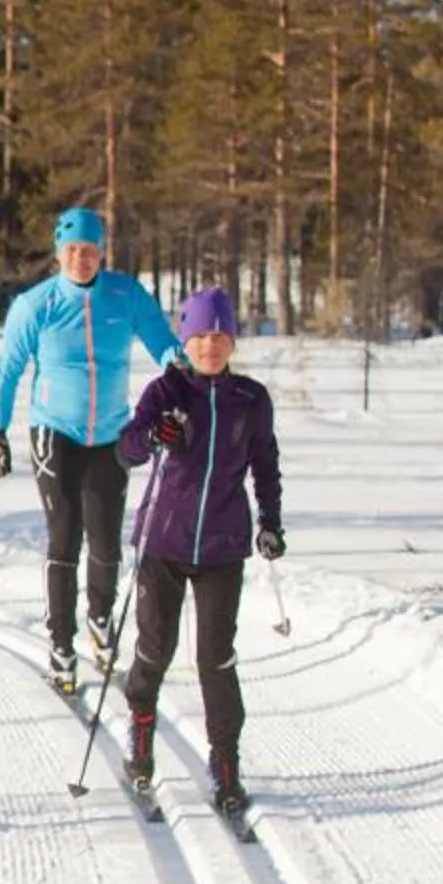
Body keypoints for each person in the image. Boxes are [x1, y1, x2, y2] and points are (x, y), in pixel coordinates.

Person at [0, 207, 184, 693]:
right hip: (56, 433)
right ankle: (60, 643)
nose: (82, 259)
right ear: (58, 253)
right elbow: (8, 370)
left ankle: (98, 616)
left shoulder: (126, 294)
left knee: (107, 540)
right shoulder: (37, 305)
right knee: (65, 536)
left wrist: (179, 370)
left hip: (111, 434)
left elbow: (161, 342)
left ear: (102, 252)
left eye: (90, 250)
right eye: (73, 251)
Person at [114, 285, 284, 818]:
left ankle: (226, 763)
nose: (210, 344)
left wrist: (271, 523)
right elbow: (127, 447)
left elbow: (265, 466)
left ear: (232, 339)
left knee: (216, 657)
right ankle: (140, 734)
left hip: (222, 546)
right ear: (185, 339)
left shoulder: (251, 400)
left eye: (219, 334)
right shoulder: (167, 391)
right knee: (154, 648)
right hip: (164, 541)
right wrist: (153, 436)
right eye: (200, 335)